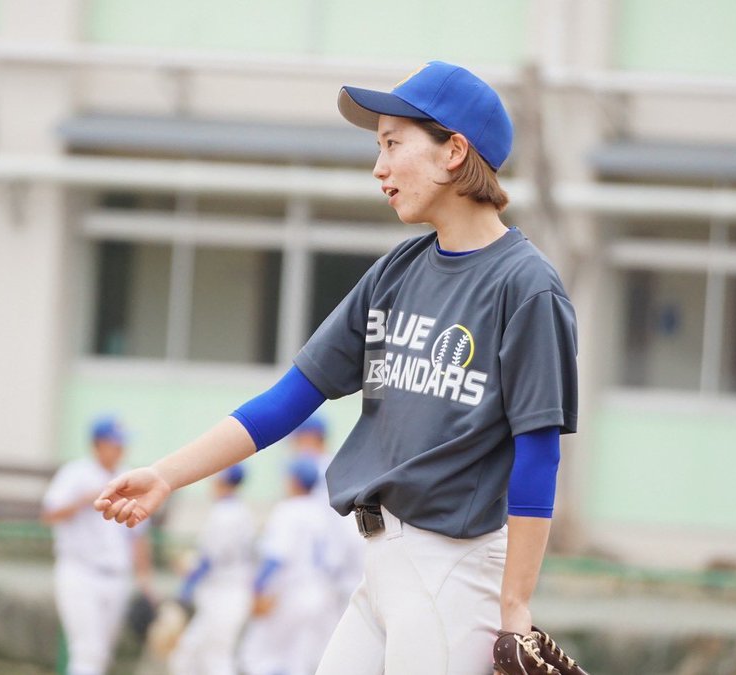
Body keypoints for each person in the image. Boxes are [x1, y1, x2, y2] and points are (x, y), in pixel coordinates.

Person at [96, 60, 578, 674]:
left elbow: (538, 450)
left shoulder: (526, 286)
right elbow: (291, 397)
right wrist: (166, 475)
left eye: (392, 143)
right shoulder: (397, 271)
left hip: (453, 568)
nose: (379, 167)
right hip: (379, 565)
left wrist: (515, 606)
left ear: (454, 151)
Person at [42, 416, 155, 675]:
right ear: (98, 444)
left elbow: (139, 534)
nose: (120, 449)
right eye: (115, 443)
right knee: (87, 651)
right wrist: (86, 499)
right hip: (79, 571)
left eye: (122, 444)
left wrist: (145, 581)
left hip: (116, 576)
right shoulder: (76, 473)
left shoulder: (128, 476)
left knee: (101, 654)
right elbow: (49, 515)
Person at [238, 456, 335, 675]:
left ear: (295, 481)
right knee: (297, 662)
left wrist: (256, 590)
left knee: (258, 656)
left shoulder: (289, 510)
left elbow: (275, 557)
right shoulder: (321, 512)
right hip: (318, 592)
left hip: (288, 595)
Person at [168, 464, 256, 675]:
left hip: (225, 594)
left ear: (224, 482)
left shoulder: (225, 513)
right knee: (187, 655)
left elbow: (208, 560)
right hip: (224, 593)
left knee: (216, 660)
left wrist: (185, 587)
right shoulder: (239, 510)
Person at [288, 414, 365, 650]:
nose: (294, 447)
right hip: (346, 561)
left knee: (335, 642)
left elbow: (334, 524)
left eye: (299, 440)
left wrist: (332, 565)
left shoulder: (317, 469)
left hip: (340, 565)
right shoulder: (335, 463)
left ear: (311, 438)